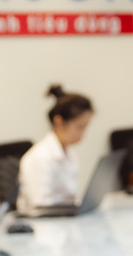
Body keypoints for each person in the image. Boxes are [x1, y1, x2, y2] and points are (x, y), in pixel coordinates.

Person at [17, 85, 94, 214]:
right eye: (80, 127)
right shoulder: (40, 157)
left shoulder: (70, 153)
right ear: (59, 122)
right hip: (44, 222)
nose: (83, 134)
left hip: (65, 218)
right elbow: (40, 207)